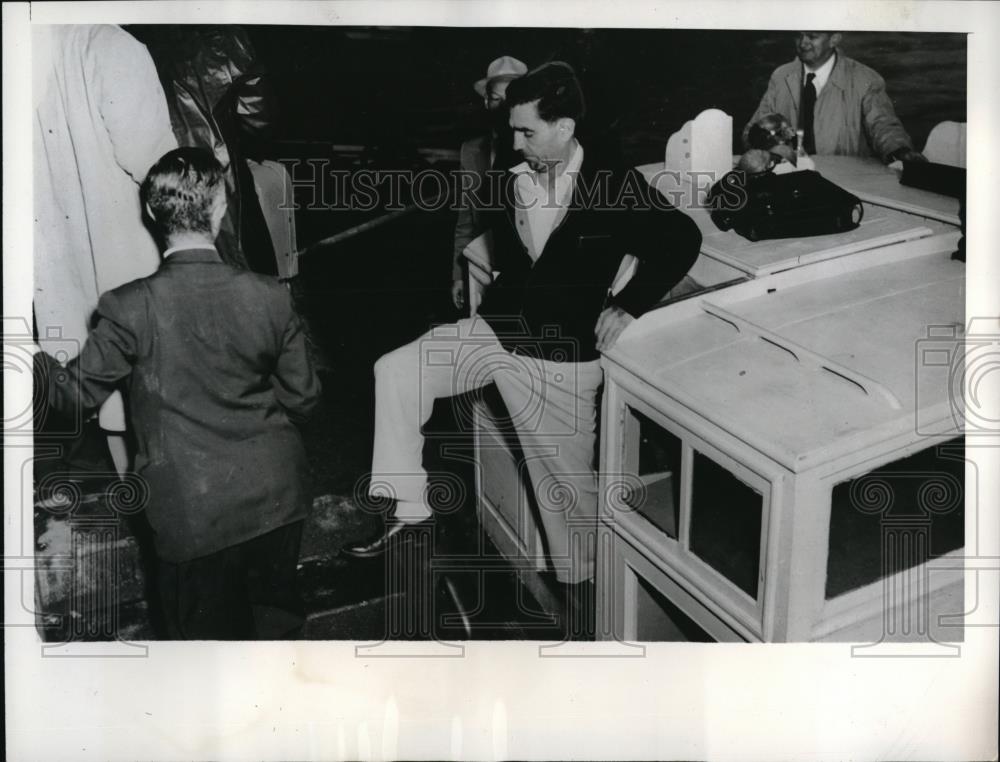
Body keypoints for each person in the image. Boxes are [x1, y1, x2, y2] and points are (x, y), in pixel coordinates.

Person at [344, 62, 701, 587]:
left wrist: (628, 304)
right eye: (512, 129)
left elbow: (682, 239)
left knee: (567, 506)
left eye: (526, 131)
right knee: (396, 370)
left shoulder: (614, 186)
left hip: (559, 361)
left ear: (564, 128)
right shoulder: (506, 180)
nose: (514, 143)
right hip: (495, 334)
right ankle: (411, 512)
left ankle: (583, 600)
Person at [35, 148, 322, 640]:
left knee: (201, 658)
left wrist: (34, 357)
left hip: (192, 516)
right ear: (219, 208)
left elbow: (71, 398)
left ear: (151, 213)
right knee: (277, 640)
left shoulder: (128, 307)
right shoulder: (270, 294)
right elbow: (304, 400)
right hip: (277, 499)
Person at [33, 24, 178, 478]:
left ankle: (141, 514)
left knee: (108, 399)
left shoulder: (23, 50)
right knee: (162, 399)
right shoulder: (110, 46)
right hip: (132, 263)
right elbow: (158, 170)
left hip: (61, 270)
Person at [744, 32, 925, 163]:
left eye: (812, 36)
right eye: (799, 36)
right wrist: (767, 148)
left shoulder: (866, 79)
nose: (803, 43)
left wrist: (900, 152)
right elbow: (753, 129)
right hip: (790, 174)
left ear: (834, 39)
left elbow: (883, 126)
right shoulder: (781, 76)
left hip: (848, 179)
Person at [451, 55, 528, 311]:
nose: (504, 108)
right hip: (481, 267)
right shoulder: (471, 151)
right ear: (486, 101)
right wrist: (459, 274)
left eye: (512, 100)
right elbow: (466, 221)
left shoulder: (536, 149)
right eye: (497, 99)